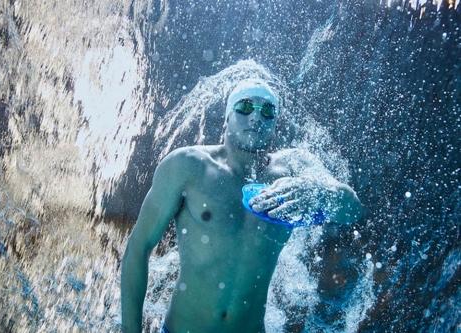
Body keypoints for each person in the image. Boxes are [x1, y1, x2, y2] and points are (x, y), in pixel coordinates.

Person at [121, 79, 363, 333]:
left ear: (275, 124)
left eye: (268, 111)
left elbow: (353, 209)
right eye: (245, 107)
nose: (256, 117)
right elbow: (139, 247)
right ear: (227, 117)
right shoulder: (188, 166)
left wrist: (319, 191)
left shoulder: (293, 170)